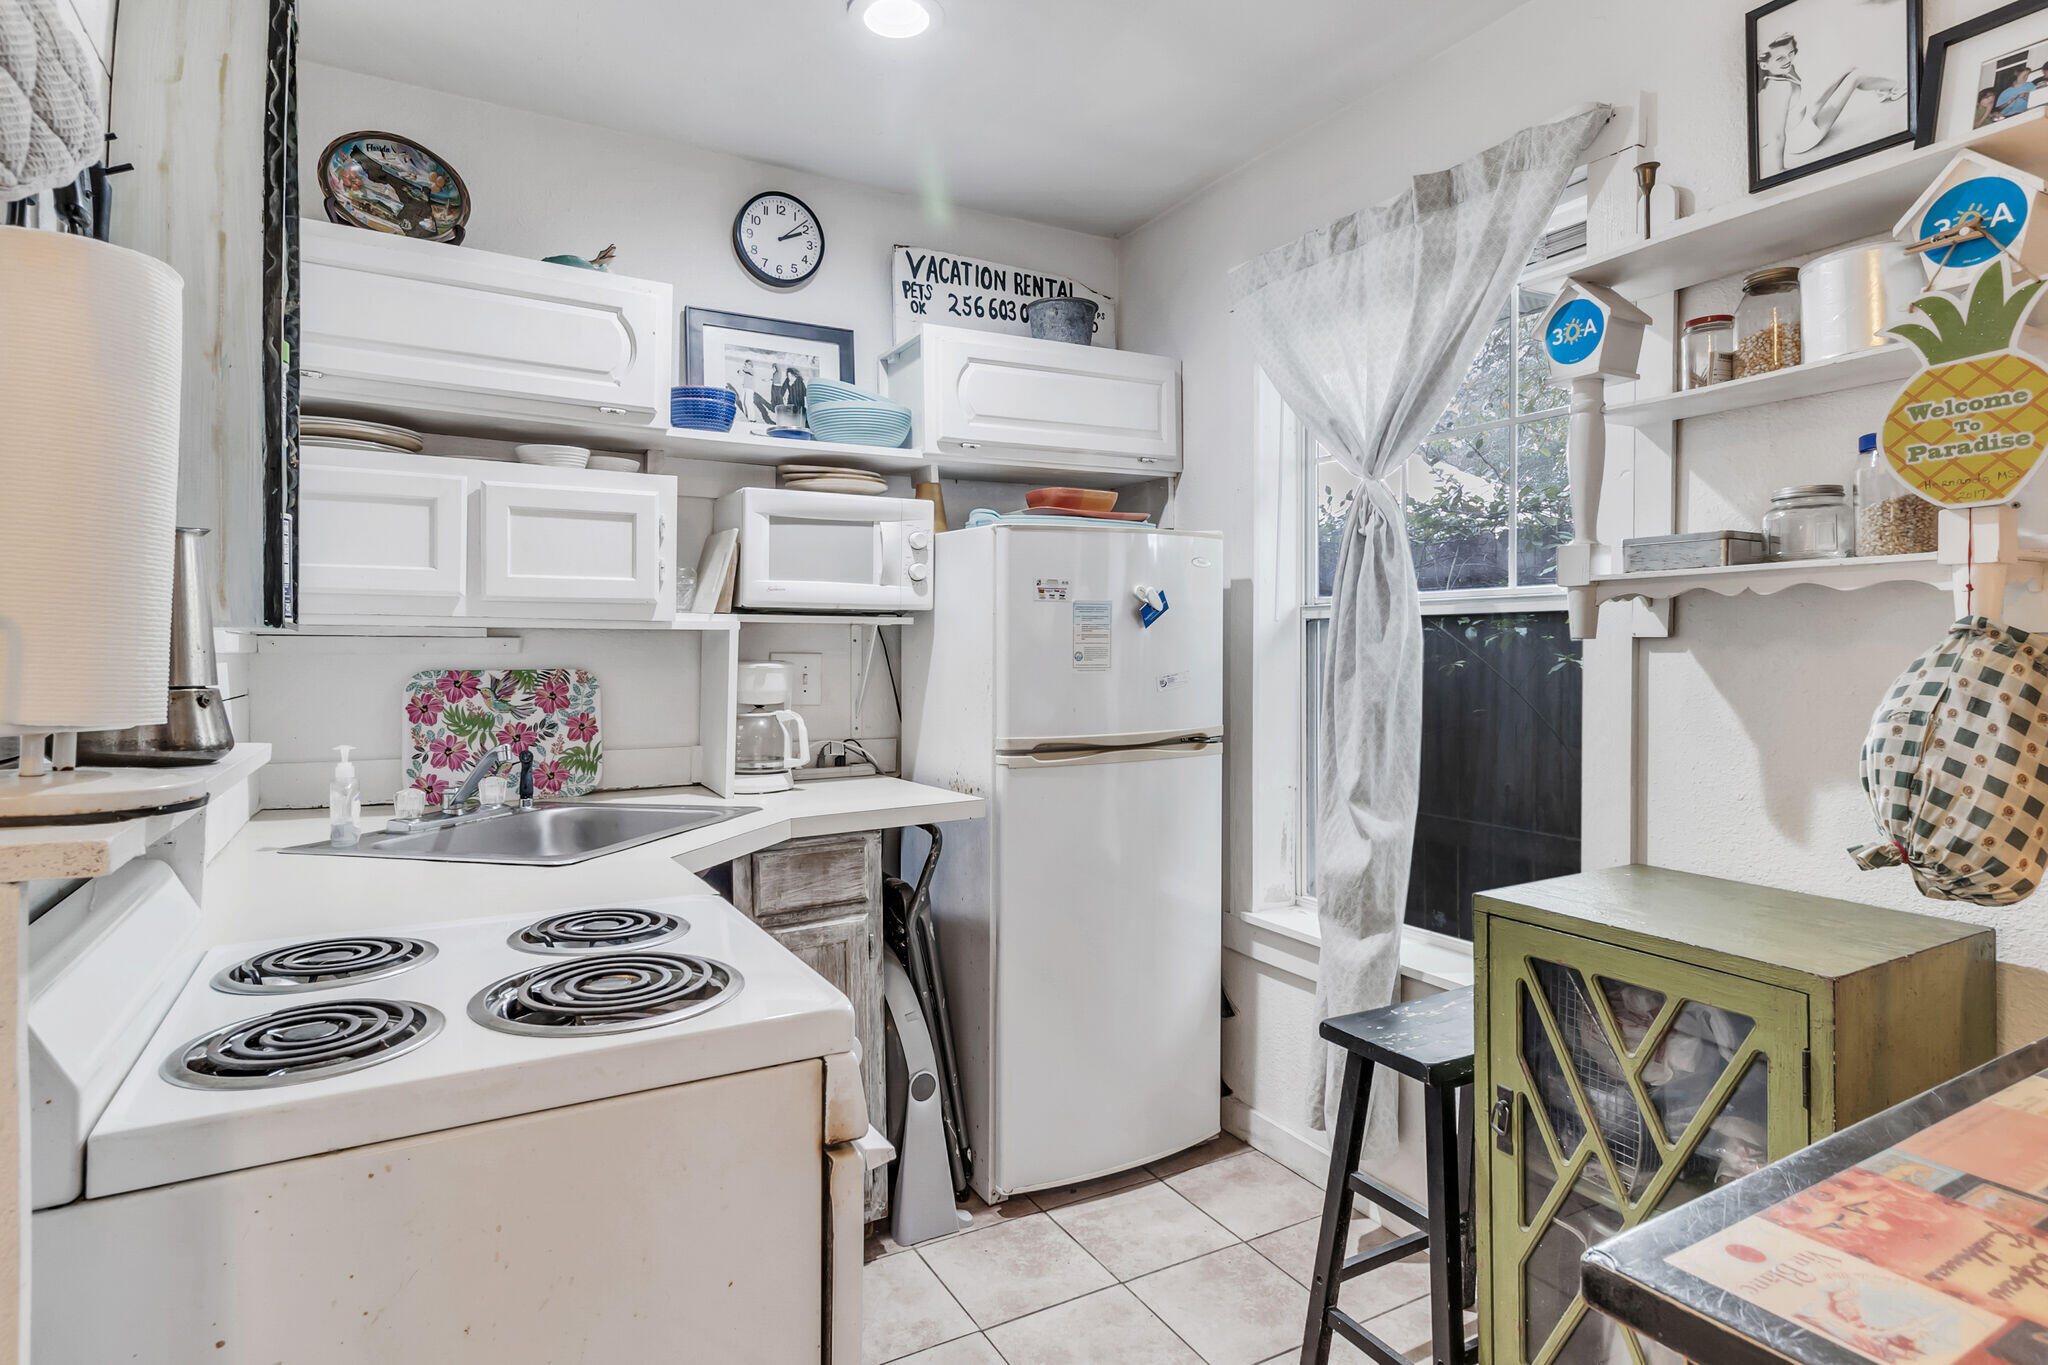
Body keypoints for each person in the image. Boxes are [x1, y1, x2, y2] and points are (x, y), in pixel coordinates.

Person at [1755, 33, 1907, 176]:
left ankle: (1885, 88)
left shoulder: (1781, 74)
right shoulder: (1781, 87)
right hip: (1803, 138)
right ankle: (1898, 85)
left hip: (1803, 125)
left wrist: (1843, 74)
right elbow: (1779, 132)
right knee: (1856, 77)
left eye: (1791, 53)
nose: (1788, 60)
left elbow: (1809, 104)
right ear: (1764, 66)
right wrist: (1780, 170)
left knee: (1851, 75)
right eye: (1780, 58)